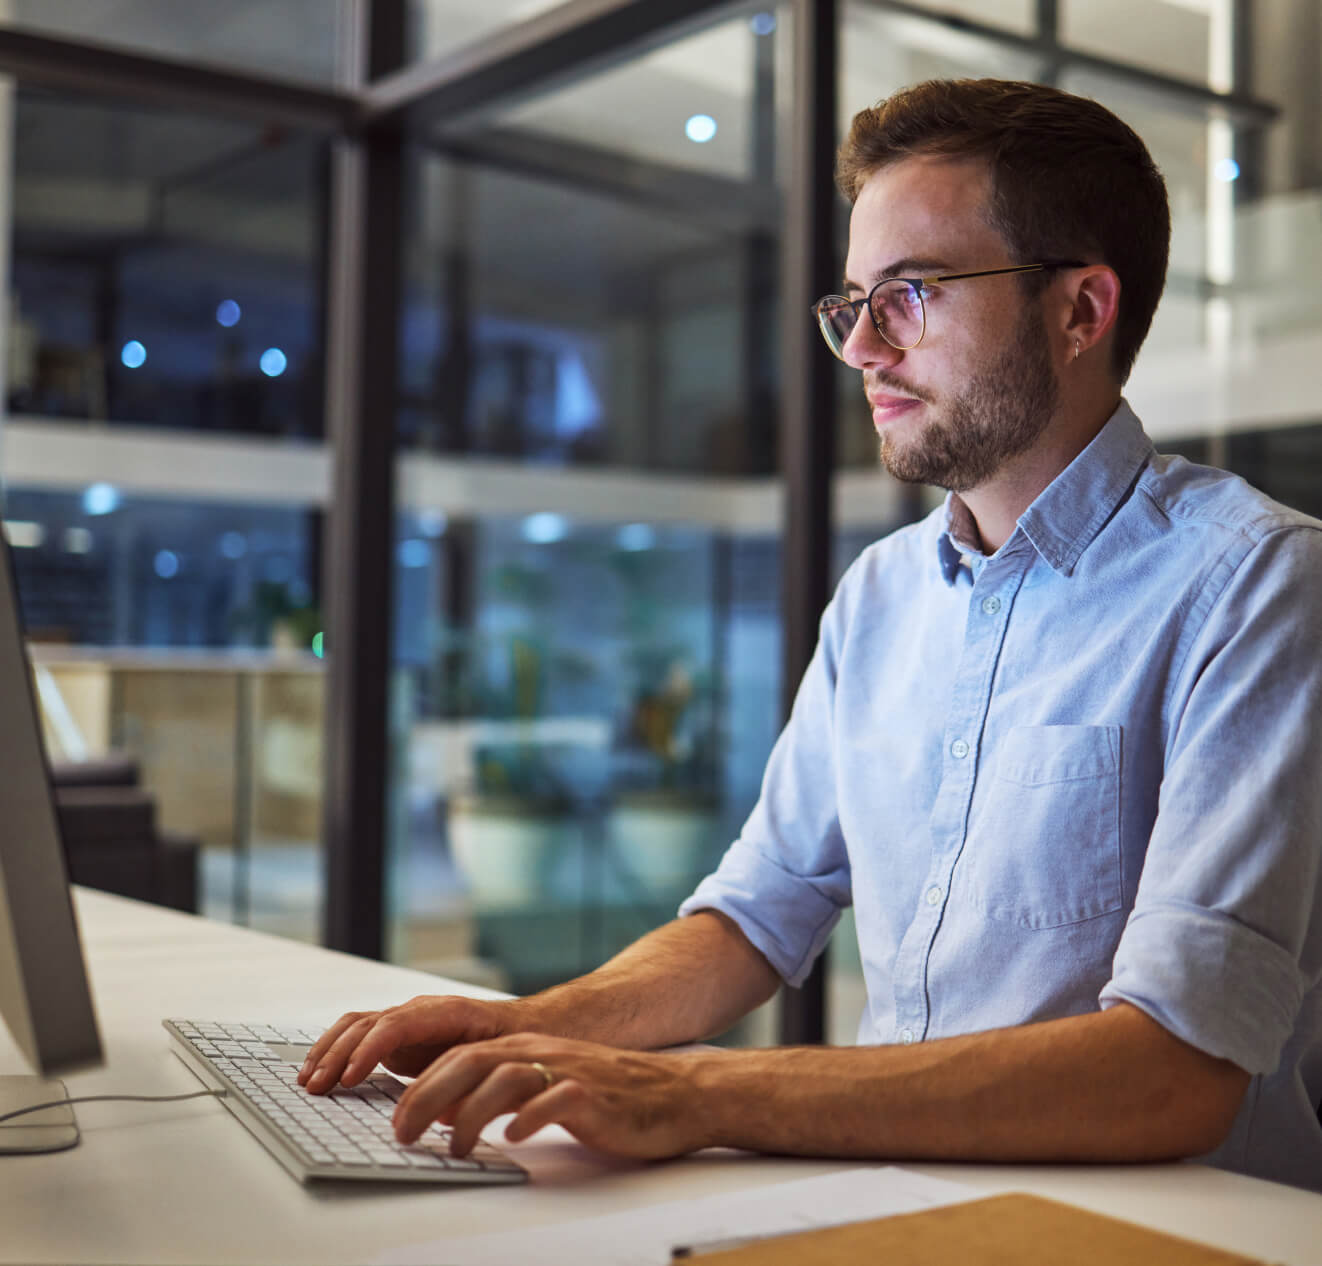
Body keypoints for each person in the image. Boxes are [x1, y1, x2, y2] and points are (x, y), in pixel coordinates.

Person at [300, 78, 1322, 1191]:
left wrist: (691, 1095)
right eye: (852, 304)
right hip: (902, 1198)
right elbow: (754, 917)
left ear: (1080, 310)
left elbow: (1172, 1069)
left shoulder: (1254, 583)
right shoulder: (880, 595)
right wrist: (523, 1028)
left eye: (911, 294)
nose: (865, 351)